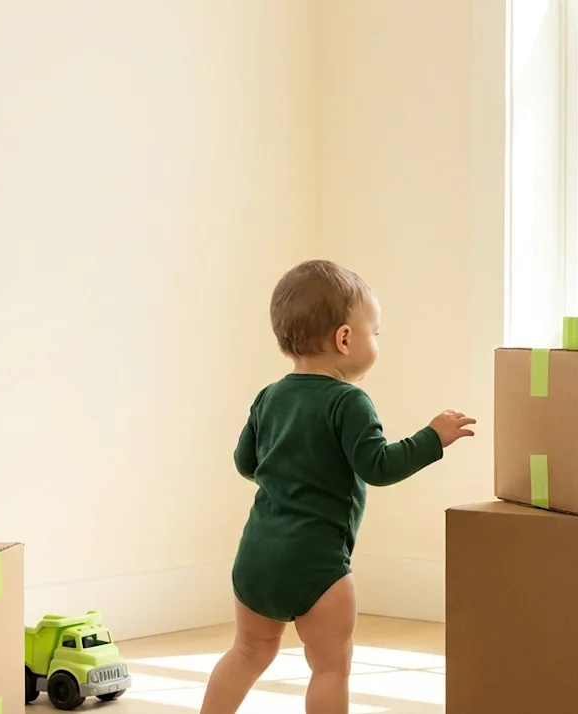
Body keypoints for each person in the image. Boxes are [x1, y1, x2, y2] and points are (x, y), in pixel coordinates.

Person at [199, 259, 476, 714]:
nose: (377, 342)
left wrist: (286, 475)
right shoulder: (349, 401)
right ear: (345, 339)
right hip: (318, 564)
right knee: (330, 666)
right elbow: (379, 467)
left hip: (257, 556)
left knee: (248, 653)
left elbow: (245, 463)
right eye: (375, 332)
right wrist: (433, 438)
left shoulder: (269, 396)